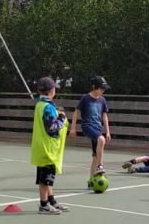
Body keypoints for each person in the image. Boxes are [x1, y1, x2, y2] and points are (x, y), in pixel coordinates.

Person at [31, 76, 70, 215]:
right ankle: (44, 205)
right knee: (45, 179)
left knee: (48, 178)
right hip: (47, 149)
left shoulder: (40, 105)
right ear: (52, 90)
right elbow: (52, 128)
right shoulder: (47, 107)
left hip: (42, 147)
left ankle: (51, 201)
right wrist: (61, 118)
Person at [70, 75, 112, 180]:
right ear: (94, 87)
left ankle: (91, 180)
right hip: (87, 126)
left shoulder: (102, 100)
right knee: (101, 139)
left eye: (104, 89)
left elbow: (104, 116)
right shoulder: (85, 98)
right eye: (101, 88)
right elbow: (76, 112)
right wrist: (73, 128)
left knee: (95, 156)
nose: (103, 90)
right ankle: (100, 166)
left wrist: (107, 131)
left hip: (98, 128)